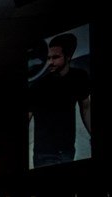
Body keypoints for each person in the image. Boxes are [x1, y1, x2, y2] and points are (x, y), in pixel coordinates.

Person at [28, 32, 92, 168]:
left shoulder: (79, 77)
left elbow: (86, 107)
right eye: (49, 58)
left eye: (55, 57)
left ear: (68, 57)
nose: (50, 62)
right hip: (44, 155)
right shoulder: (39, 86)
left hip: (68, 151)